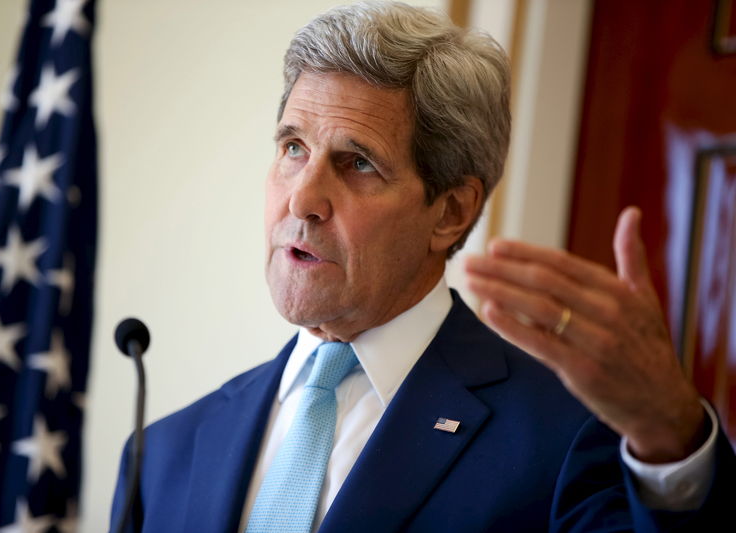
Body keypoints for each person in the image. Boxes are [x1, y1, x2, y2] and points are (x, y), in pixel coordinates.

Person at [110, 2, 735, 531]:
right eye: (293, 147)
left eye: (358, 163)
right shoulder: (163, 452)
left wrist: (672, 437)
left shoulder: (565, 440)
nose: (302, 198)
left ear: (451, 211)